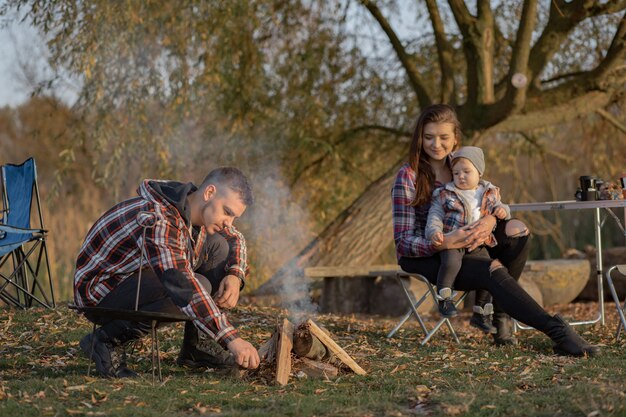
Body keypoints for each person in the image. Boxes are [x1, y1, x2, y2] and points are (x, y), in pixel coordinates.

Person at [392, 103, 599, 356]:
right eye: (429, 137)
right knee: (492, 268)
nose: (436, 144)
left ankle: (501, 316)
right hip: (429, 255)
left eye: (444, 137)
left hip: (471, 242)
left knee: (517, 231)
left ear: (455, 138)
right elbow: (402, 242)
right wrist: (444, 242)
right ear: (419, 138)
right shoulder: (408, 176)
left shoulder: (464, 165)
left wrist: (491, 219)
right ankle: (558, 332)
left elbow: (488, 201)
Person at [74, 167, 260, 377]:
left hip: (136, 279)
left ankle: (196, 349)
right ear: (209, 193)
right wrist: (231, 339)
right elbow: (182, 286)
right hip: (100, 294)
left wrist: (235, 274)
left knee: (220, 247)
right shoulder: (159, 218)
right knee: (195, 285)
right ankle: (106, 340)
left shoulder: (193, 209)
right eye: (227, 212)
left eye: (234, 217)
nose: (229, 222)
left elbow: (236, 238)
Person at [425, 146, 508, 334]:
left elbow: (502, 207)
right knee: (451, 262)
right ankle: (445, 297)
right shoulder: (446, 193)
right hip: (453, 240)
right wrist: (434, 232)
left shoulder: (489, 191)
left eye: (466, 172)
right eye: (456, 173)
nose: (461, 176)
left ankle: (481, 312)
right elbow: (435, 215)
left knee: (490, 269)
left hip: (477, 243)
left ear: (479, 172)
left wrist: (503, 211)